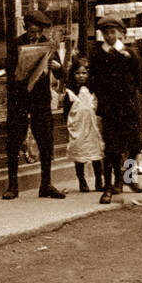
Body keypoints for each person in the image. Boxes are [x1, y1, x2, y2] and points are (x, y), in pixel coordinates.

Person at [5, 9, 64, 199]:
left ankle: (46, 184)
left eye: (39, 32)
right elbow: (9, 72)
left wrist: (58, 68)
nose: (36, 36)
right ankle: (13, 185)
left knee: (45, 140)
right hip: (19, 98)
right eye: (32, 31)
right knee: (14, 140)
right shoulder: (16, 44)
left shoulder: (48, 45)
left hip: (40, 99)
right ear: (25, 28)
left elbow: (62, 75)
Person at [88, 16, 142, 204]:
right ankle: (110, 186)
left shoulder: (130, 53)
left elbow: (139, 79)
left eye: (113, 32)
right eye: (106, 33)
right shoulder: (97, 54)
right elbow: (92, 80)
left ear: (120, 33)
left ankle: (128, 177)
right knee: (111, 148)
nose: (109, 36)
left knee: (133, 145)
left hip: (128, 106)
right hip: (110, 108)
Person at [62, 56, 105, 194]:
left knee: (96, 155)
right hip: (78, 127)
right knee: (79, 156)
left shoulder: (93, 90)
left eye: (84, 73)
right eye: (78, 73)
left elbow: (98, 107)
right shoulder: (70, 92)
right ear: (73, 74)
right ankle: (82, 181)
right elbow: (66, 112)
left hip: (92, 127)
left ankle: (99, 181)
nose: (81, 76)